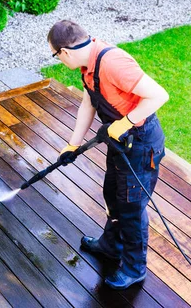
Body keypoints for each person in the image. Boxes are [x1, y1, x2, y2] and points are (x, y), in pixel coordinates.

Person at [48, 20, 169, 290]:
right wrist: (73, 144)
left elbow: (159, 95)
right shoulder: (87, 67)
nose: (58, 60)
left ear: (64, 52)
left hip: (140, 145)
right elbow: (89, 102)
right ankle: (111, 246)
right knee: (112, 195)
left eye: (55, 55)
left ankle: (134, 268)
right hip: (120, 145)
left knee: (131, 208)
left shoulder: (113, 63)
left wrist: (124, 123)